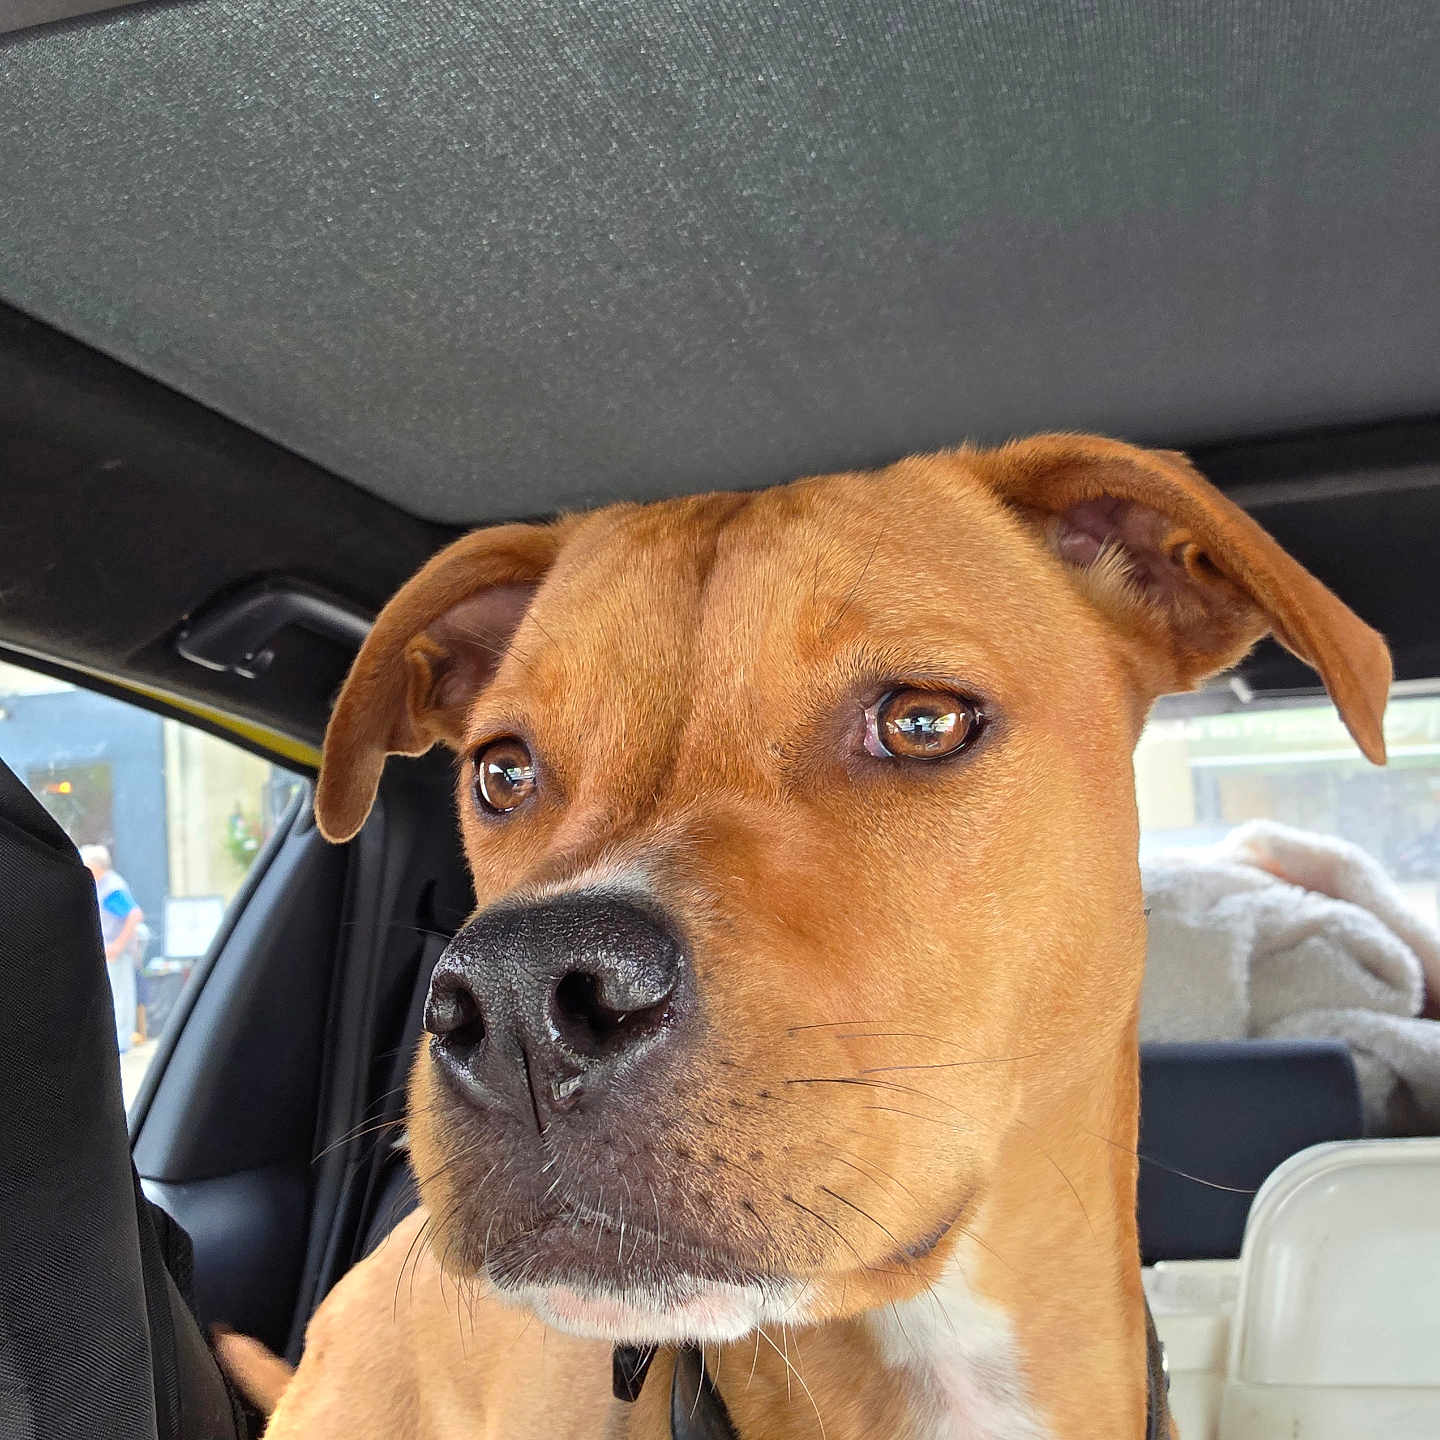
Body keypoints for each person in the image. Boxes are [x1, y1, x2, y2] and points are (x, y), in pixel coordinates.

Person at [80, 843, 145, 1054]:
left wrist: (118, 944)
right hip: (108, 952)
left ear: (96, 866)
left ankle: (121, 1043)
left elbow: (134, 915)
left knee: (120, 996)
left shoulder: (111, 888)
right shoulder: (102, 885)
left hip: (115, 952)